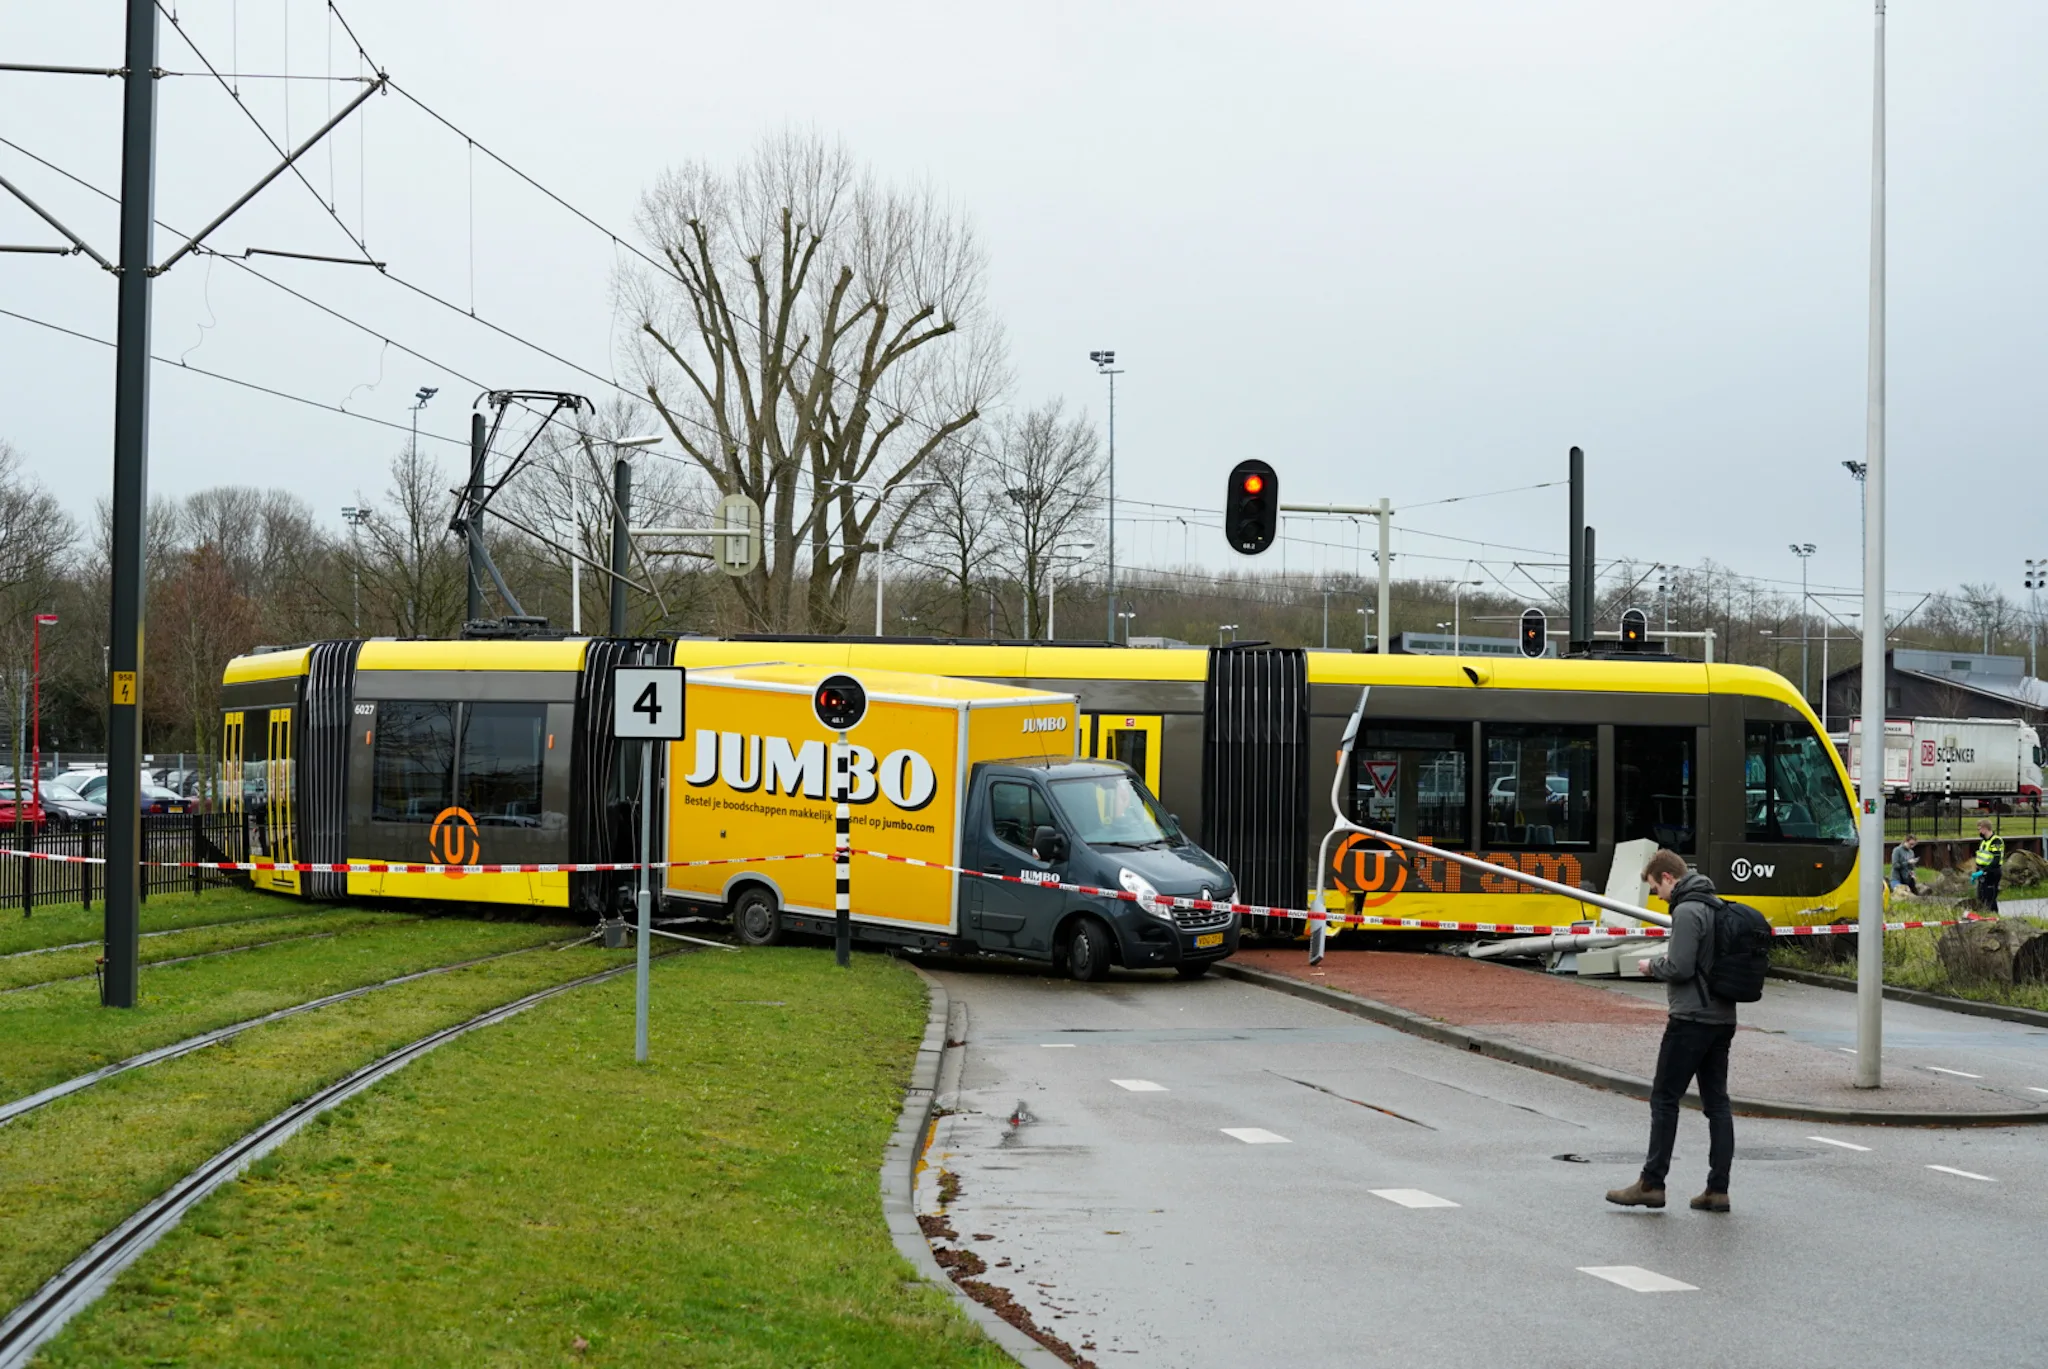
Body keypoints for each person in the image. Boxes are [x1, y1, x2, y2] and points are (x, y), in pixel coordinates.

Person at [1606, 848, 1737, 1214]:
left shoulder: (1687, 910)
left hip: (1690, 1019)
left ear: (1668, 877)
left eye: (1654, 887)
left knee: (1664, 1099)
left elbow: (1679, 966)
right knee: (1717, 1105)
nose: (1656, 896)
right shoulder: (1716, 905)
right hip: (1723, 1018)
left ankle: (1652, 1183)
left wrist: (1652, 965)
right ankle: (1717, 1189)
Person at [1973, 818, 2005, 915]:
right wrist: (1977, 872)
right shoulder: (1984, 842)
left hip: (1992, 873)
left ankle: (1994, 917)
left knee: (1990, 898)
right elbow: (1981, 858)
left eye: (1980, 829)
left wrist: (1983, 871)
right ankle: (1985, 917)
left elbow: (1996, 860)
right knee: (1981, 897)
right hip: (1982, 872)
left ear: (1985, 828)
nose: (1979, 831)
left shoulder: (1996, 841)